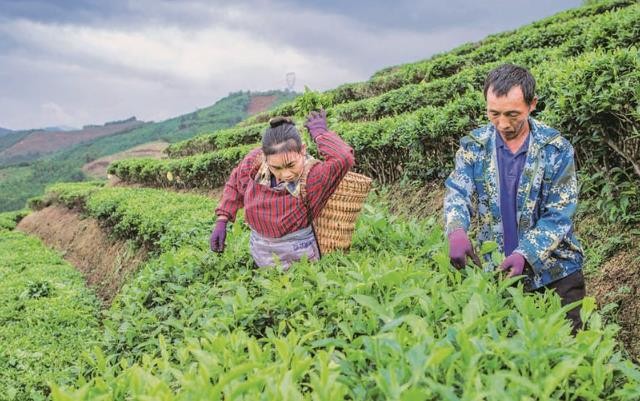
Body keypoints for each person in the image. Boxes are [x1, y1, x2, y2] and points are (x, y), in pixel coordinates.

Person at [443, 63, 586, 334]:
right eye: (493, 114)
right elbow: (458, 191)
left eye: (512, 114)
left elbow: (559, 215)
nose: (503, 124)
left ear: (532, 105)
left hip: (555, 273)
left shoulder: (555, 149)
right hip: (499, 272)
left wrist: (525, 253)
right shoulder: (474, 146)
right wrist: (456, 228)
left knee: (568, 352)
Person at [210, 110, 355, 270]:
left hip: (300, 256)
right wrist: (222, 219)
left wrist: (320, 134)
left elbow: (344, 158)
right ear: (265, 157)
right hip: (260, 249)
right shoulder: (254, 164)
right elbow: (235, 183)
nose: (285, 174)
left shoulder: (314, 177)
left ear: (303, 150)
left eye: (291, 165)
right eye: (276, 168)